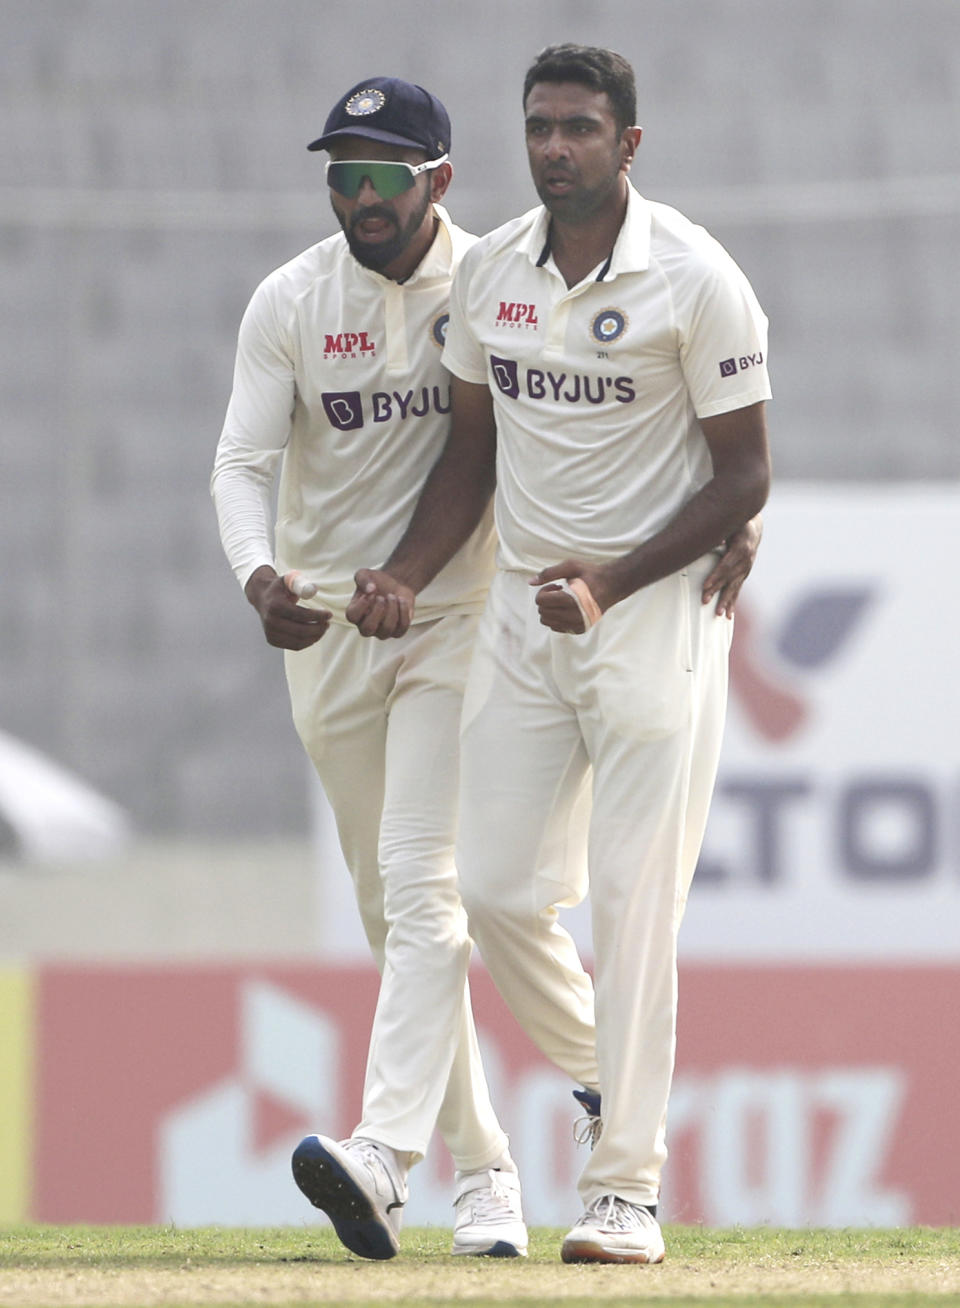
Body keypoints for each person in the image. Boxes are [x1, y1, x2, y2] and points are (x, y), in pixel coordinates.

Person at [346, 45, 772, 1266]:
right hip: (528, 623)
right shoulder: (488, 275)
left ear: (627, 145)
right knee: (490, 890)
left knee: (638, 906)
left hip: (650, 618)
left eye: (580, 130)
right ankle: (606, 1076)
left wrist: (616, 580)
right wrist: (408, 576)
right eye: (539, 129)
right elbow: (470, 455)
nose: (556, 149)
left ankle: (624, 1191)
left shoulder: (697, 278)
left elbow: (743, 474)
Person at [211, 76, 529, 1262]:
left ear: (438, 180)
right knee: (390, 912)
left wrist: (413, 573)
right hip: (329, 632)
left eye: (383, 173)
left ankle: (381, 1151)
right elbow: (240, 465)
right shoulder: (291, 298)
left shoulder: (496, 282)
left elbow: (493, 452)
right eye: (340, 173)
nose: (359, 195)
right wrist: (258, 578)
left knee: (422, 881)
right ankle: (489, 1173)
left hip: (458, 620)